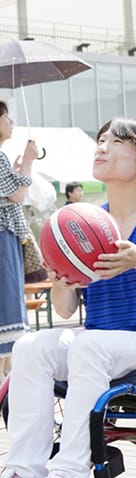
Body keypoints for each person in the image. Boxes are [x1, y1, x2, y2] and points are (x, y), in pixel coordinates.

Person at [0, 117, 136, 478]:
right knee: (30, 346)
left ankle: (67, 476)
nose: (102, 146)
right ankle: (25, 473)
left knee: (89, 345)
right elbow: (65, 310)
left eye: (117, 141)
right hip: (100, 345)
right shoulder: (86, 222)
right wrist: (63, 279)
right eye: (100, 140)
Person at [0, 101, 37, 380]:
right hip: (3, 234)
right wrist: (29, 160)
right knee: (8, 303)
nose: (10, 122)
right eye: (6, 117)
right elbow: (18, 195)